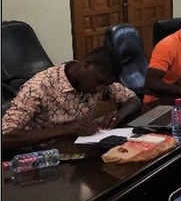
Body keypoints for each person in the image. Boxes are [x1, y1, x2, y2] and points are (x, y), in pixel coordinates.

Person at [2, 46, 141, 151]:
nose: (99, 89)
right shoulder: (38, 87)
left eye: (105, 84)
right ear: (87, 64)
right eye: (98, 82)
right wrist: (66, 129)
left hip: (80, 151)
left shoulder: (100, 82)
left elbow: (133, 99)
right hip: (42, 159)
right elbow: (5, 137)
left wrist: (118, 115)